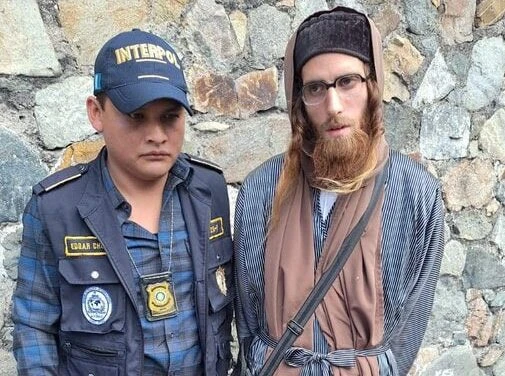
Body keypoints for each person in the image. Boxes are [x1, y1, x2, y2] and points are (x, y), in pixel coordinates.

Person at [233, 6, 444, 376]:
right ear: (299, 100)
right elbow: (249, 321)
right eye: (316, 88)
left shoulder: (416, 194)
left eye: (347, 82)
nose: (333, 106)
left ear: (372, 86)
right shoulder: (261, 191)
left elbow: (407, 335)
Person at [12, 29, 234, 376]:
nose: (156, 135)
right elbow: (34, 326)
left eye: (170, 117)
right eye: (136, 116)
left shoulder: (208, 190)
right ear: (96, 112)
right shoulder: (56, 209)